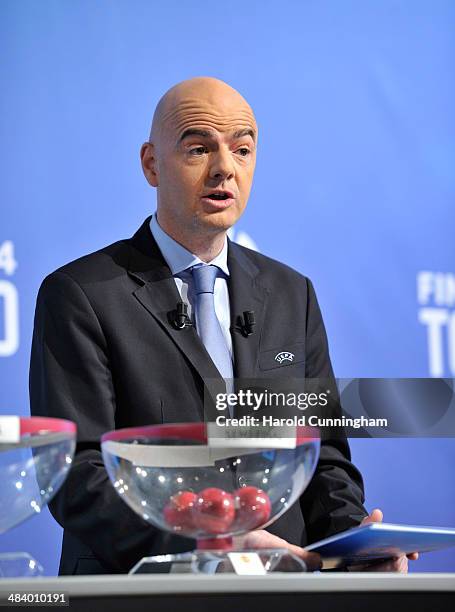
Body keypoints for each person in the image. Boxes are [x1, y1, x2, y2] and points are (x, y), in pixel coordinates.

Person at [30, 77, 416, 575]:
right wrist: (204, 546)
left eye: (242, 150)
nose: (225, 169)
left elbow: (324, 460)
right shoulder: (81, 294)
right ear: (151, 164)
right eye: (198, 148)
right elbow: (75, 475)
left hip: (283, 589)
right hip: (139, 591)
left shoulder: (290, 293)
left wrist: (353, 545)